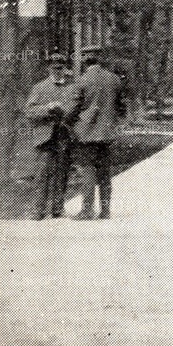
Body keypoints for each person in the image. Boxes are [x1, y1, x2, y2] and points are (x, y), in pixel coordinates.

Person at [68, 46, 125, 220]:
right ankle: (105, 210)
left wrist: (70, 124)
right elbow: (121, 108)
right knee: (105, 173)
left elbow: (72, 109)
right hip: (107, 134)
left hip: (86, 134)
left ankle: (87, 210)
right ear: (100, 58)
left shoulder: (82, 81)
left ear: (85, 60)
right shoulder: (114, 80)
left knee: (88, 171)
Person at [22, 53, 75, 219]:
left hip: (64, 136)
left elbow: (76, 109)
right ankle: (38, 210)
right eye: (54, 68)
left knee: (62, 173)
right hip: (44, 137)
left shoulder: (72, 87)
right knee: (41, 174)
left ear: (64, 68)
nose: (58, 71)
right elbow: (29, 112)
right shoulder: (39, 88)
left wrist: (67, 112)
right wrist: (48, 108)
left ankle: (58, 209)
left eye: (60, 68)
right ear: (48, 68)